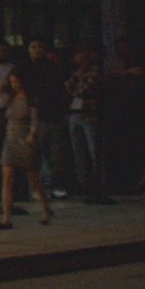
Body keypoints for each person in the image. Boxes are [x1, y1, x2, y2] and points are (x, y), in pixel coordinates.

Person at [0, 67, 53, 229]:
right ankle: (6, 218)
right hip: (11, 138)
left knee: (33, 178)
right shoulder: (11, 98)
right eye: (12, 82)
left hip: (25, 138)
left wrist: (32, 135)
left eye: (17, 82)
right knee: (7, 178)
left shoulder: (31, 99)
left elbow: (35, 120)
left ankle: (45, 208)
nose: (15, 85)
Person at [23, 41, 72, 196]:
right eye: (33, 47)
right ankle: (37, 186)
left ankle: (54, 184)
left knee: (56, 152)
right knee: (37, 152)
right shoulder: (25, 68)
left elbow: (62, 88)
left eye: (40, 47)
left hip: (54, 114)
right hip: (36, 115)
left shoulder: (52, 68)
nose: (37, 50)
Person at [66, 47, 105, 201]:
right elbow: (67, 88)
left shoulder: (95, 72)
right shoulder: (75, 74)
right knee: (78, 151)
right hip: (74, 113)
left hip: (89, 114)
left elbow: (83, 90)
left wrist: (76, 82)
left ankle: (98, 183)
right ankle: (83, 182)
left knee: (94, 149)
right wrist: (75, 79)